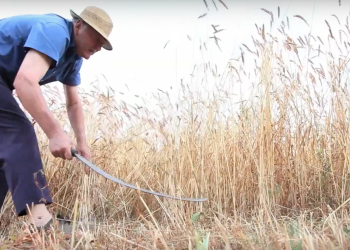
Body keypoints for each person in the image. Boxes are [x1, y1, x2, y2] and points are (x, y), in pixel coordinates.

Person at [0, 6, 113, 231]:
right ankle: (40, 222)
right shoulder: (56, 31)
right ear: (78, 25)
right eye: (96, 37)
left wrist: (81, 142)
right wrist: (55, 133)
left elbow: (73, 103)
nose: (99, 46)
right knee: (19, 132)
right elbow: (24, 82)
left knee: (6, 150)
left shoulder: (73, 58)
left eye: (104, 42)